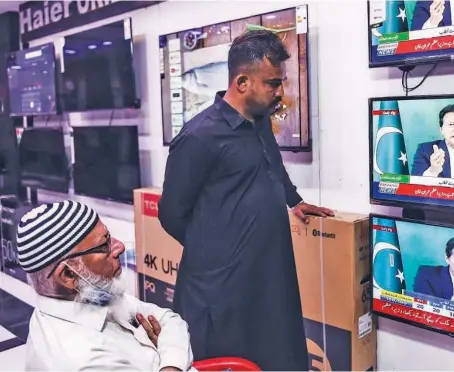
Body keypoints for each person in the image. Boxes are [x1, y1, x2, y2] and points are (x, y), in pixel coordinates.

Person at [158, 29, 334, 371]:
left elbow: (271, 165)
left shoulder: (260, 121)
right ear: (242, 82)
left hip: (268, 277)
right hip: (220, 290)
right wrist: (219, 250)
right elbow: (171, 214)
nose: (280, 92)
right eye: (272, 83)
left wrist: (293, 199)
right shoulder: (199, 136)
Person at [16, 200, 194, 371]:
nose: (119, 247)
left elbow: (170, 320)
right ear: (69, 274)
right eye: (103, 245)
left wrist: (170, 366)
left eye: (110, 237)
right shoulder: (82, 360)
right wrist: (163, 350)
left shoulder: (89, 293)